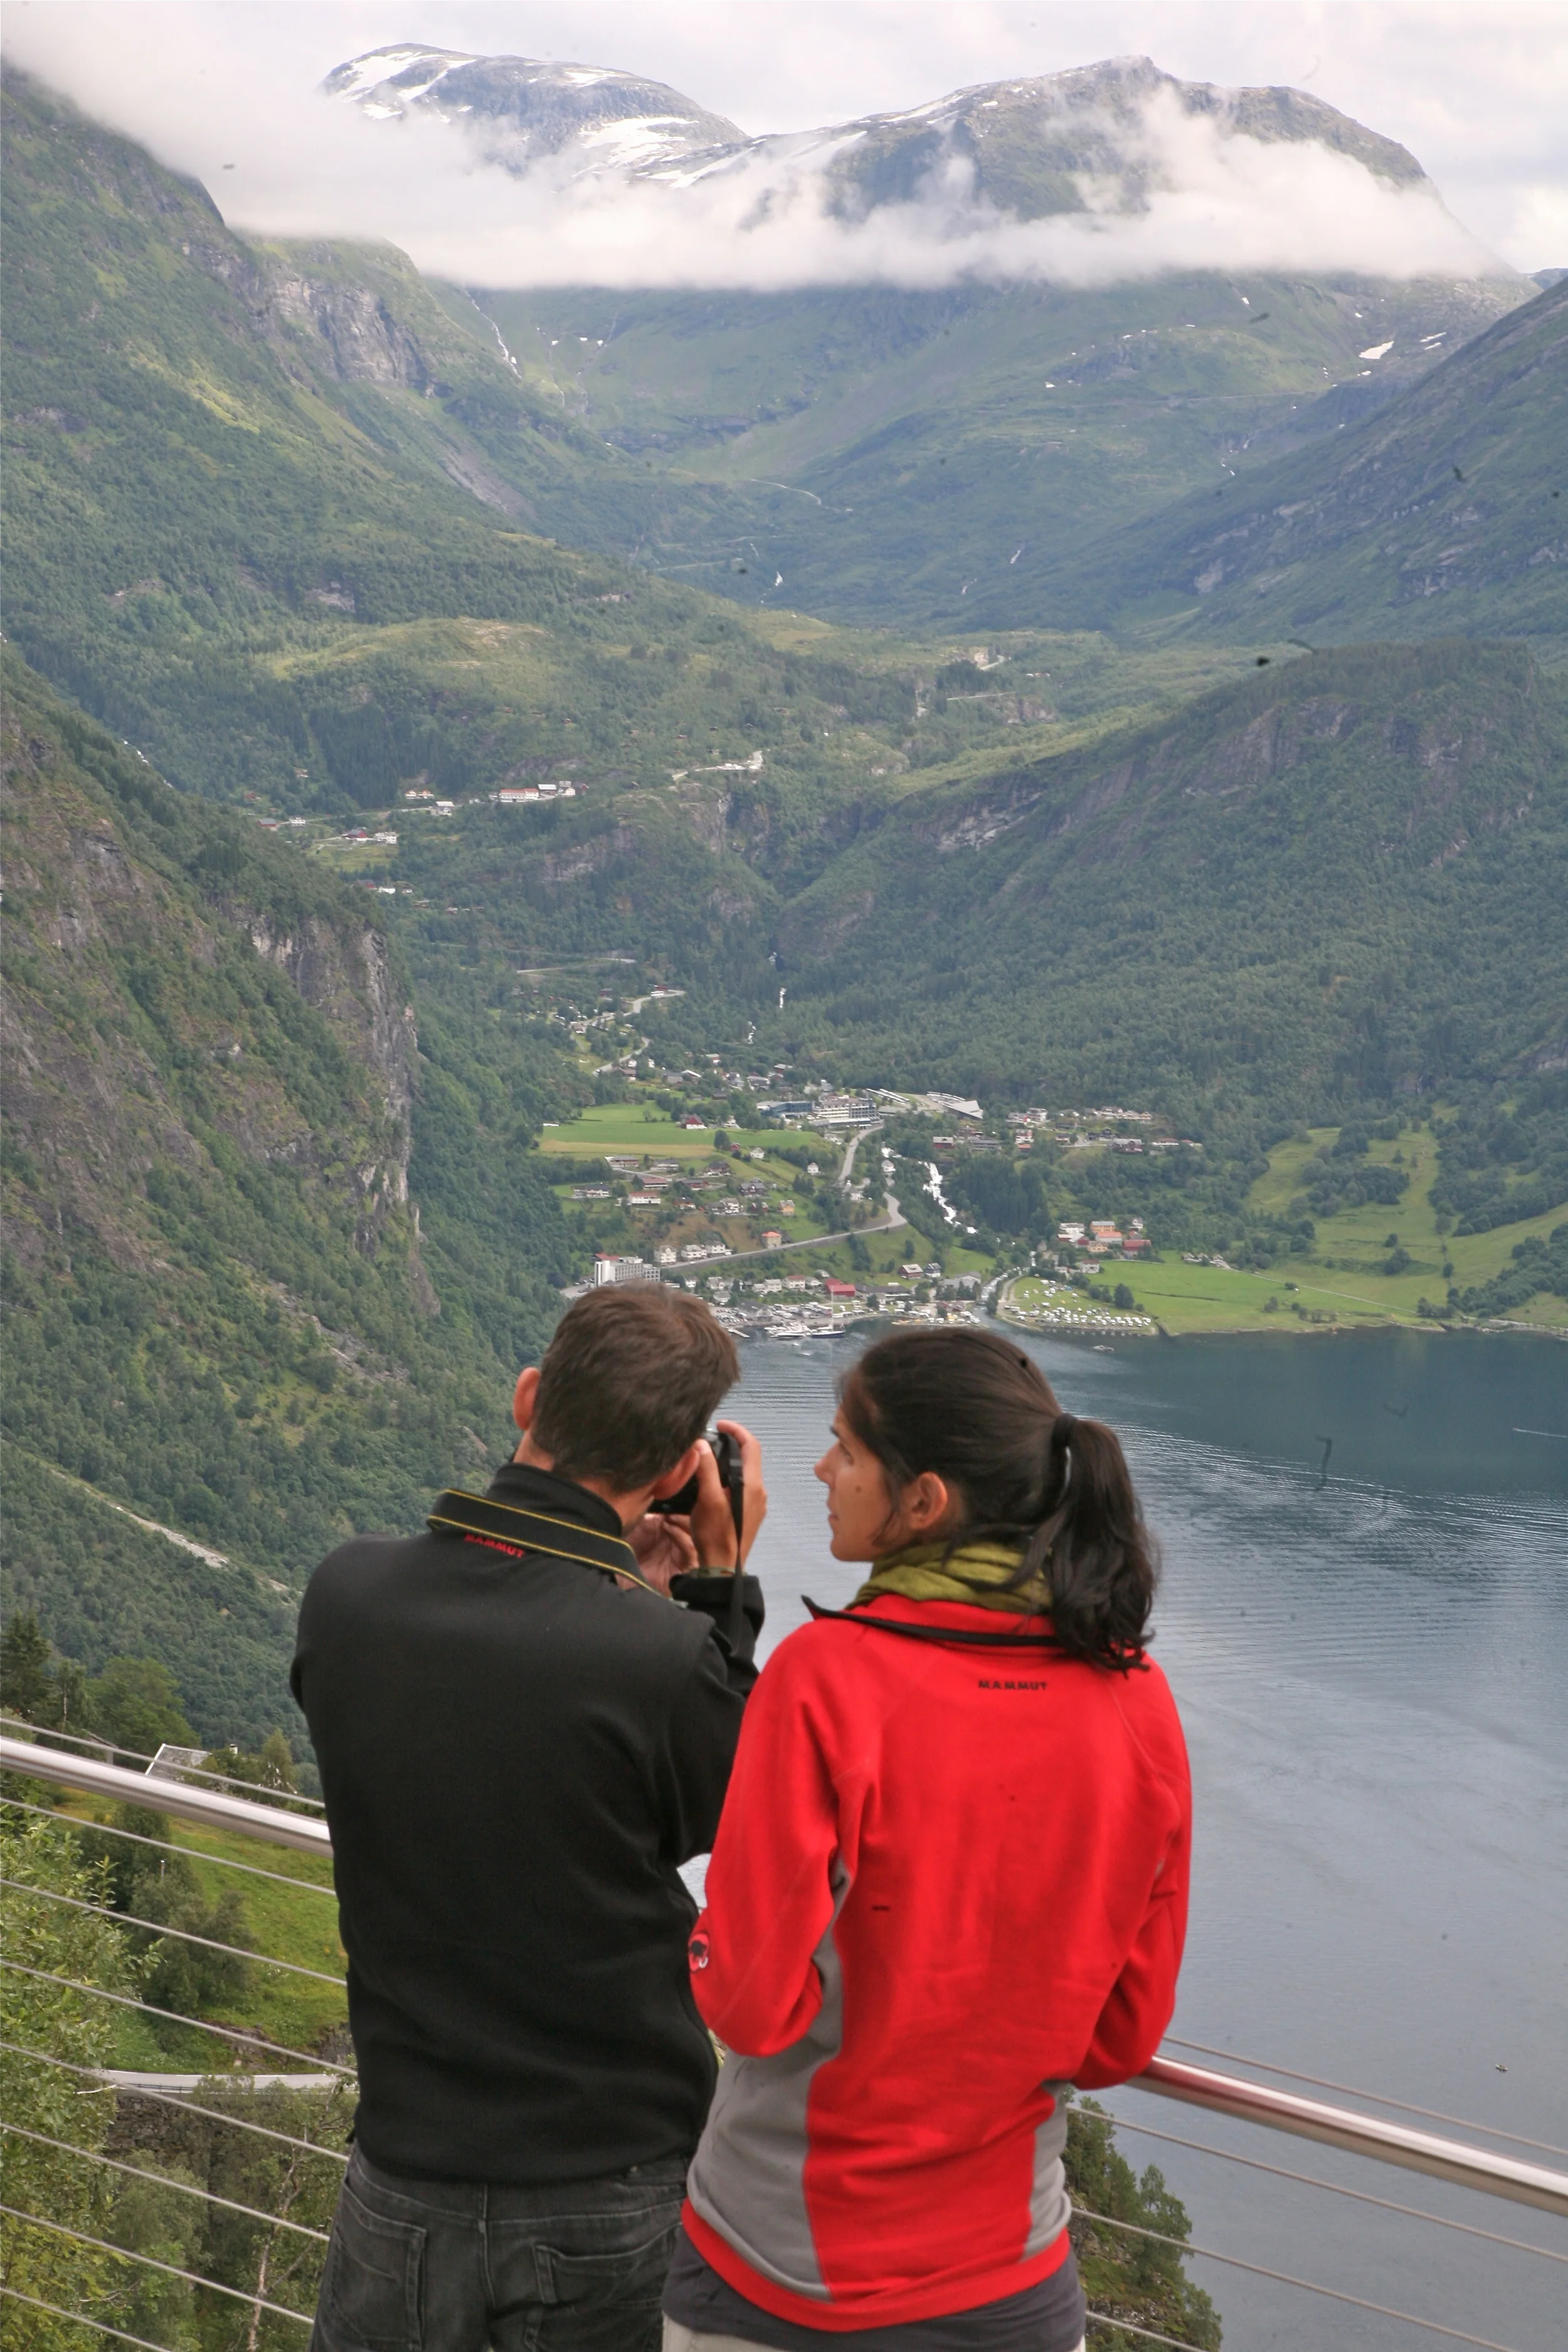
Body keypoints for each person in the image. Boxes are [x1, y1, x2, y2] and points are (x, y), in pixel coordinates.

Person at [662, 1327, 1190, 2352]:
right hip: (1011, 2284)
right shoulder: (1136, 1697)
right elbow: (1118, 2039)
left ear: (924, 1501)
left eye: (847, 1448)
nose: (821, 1469)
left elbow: (750, 2004)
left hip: (783, 2273)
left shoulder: (828, 1678)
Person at [292, 1282, 767, 2352]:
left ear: (527, 1397)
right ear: (680, 1469)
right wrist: (715, 1599)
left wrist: (616, 1594)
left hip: (402, 2175)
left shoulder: (346, 1593)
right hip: (610, 2185)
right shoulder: (659, 1659)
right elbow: (723, 1810)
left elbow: (493, 1715)